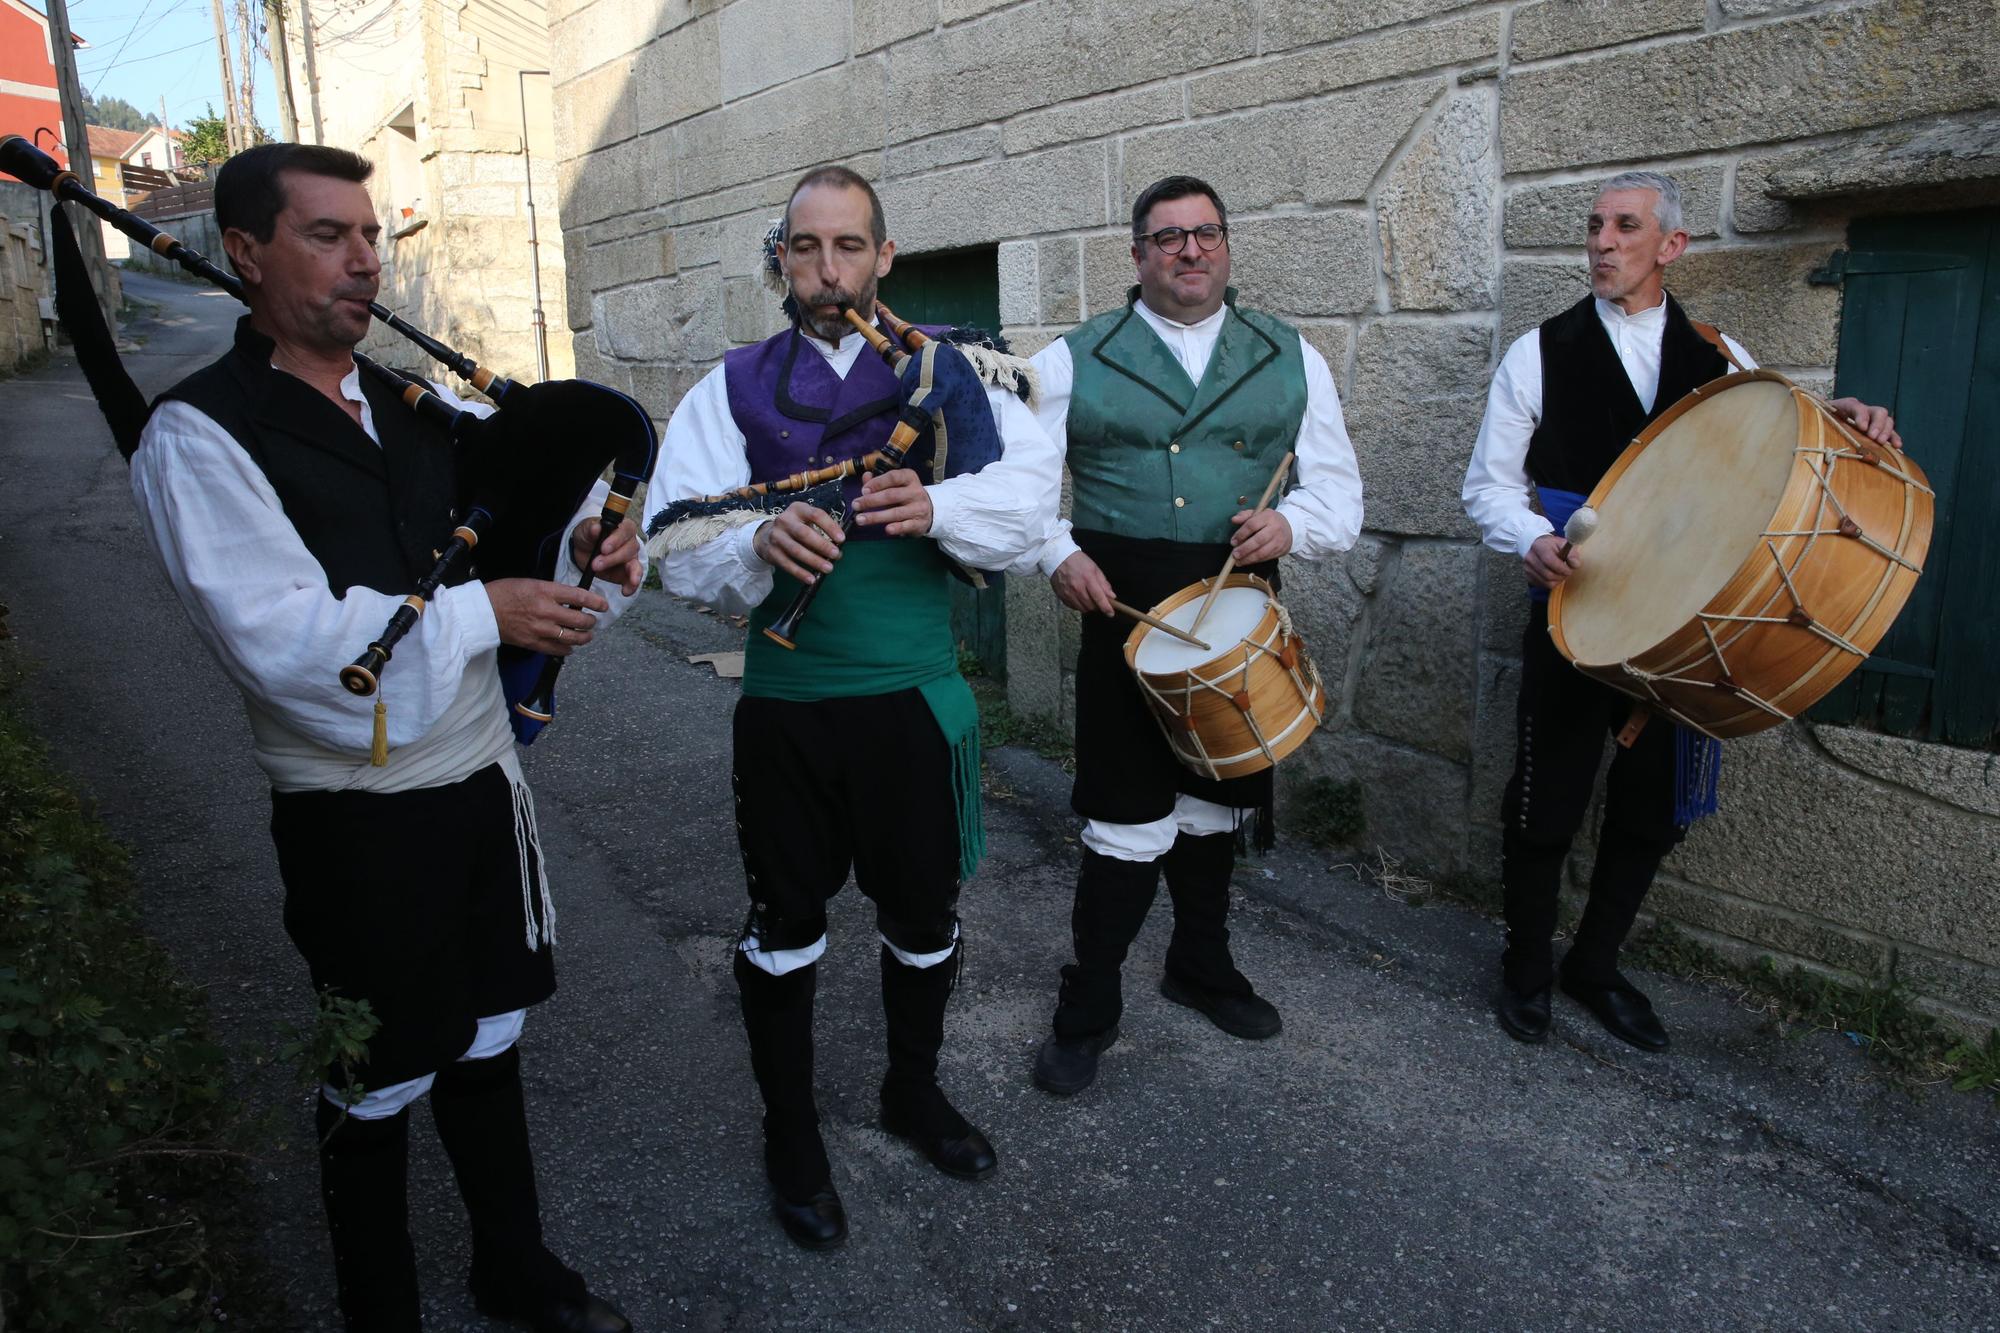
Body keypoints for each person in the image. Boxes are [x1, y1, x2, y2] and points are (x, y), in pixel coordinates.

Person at [128, 143, 638, 1333]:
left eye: (370, 236)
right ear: (245, 253)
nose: (364, 261)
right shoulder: (200, 437)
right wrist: (486, 611)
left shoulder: (416, 405)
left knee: (488, 1032)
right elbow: (287, 644)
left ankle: (511, 1265)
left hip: (474, 784)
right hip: (355, 818)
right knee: (380, 1072)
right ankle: (380, 1308)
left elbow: (506, 539)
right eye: (327, 235)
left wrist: (590, 552)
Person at [645, 165, 1059, 1250]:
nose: (826, 271)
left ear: (884, 259)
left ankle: (908, 1093)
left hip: (914, 700)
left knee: (920, 915)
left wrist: (934, 502)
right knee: (785, 923)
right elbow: (671, 547)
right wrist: (754, 541)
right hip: (787, 705)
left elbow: (1022, 511)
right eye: (805, 248)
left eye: (848, 248)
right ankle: (791, 1135)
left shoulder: (953, 372)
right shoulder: (726, 389)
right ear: (780, 257)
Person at [1462, 169, 1900, 1052]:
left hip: (1695, 625)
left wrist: (1843, 414)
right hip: (1576, 612)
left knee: (1654, 808)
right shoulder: (1537, 352)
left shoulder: (1718, 351)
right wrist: (1527, 541)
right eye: (1594, 226)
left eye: (1625, 227)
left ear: (1671, 246)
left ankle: (1594, 963)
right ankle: (1526, 967)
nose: (1602, 243)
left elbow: (1779, 433)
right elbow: (1487, 488)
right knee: (1544, 802)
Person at [1024, 174, 1365, 1097]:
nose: (1189, 250)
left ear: (1226, 244)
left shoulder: (1291, 355)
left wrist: (1291, 527)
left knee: (1216, 805)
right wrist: (1056, 551)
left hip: (1239, 616)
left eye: (1205, 233)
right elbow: (1016, 484)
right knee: (1126, 819)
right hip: (1122, 610)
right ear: (1137, 255)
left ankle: (1200, 965)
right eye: (1167, 237)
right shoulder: (1071, 357)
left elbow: (1339, 494)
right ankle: (1088, 1006)